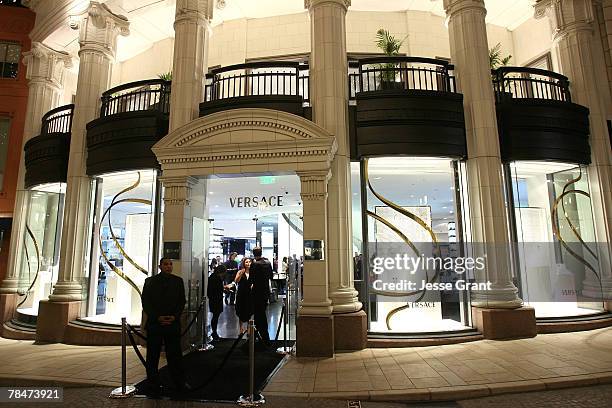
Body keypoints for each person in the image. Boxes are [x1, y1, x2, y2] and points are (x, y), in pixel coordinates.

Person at [141, 258, 186, 396]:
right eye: (165, 264)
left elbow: (181, 301)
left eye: (170, 264)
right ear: (160, 266)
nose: (168, 266)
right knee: (153, 356)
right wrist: (157, 317)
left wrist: (174, 316)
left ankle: (178, 383)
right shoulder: (150, 281)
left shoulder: (178, 281)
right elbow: (146, 302)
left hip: (172, 324)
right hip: (155, 325)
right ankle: (153, 383)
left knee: (175, 356)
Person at [248, 247, 273, 347]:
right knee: (261, 313)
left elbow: (251, 279)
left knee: (259, 314)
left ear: (254, 254)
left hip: (257, 291)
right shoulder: (268, 263)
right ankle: (260, 337)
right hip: (265, 291)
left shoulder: (255, 264)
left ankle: (264, 338)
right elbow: (271, 276)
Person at [226, 258, 253, 334]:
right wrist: (240, 274)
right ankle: (240, 328)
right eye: (246, 262)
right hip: (241, 293)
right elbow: (236, 281)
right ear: (244, 263)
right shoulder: (240, 271)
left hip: (250, 294)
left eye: (249, 262)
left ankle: (248, 328)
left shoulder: (253, 272)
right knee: (241, 310)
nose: (248, 263)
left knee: (249, 310)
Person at [207, 264, 226, 342]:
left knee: (215, 316)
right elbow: (215, 290)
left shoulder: (213, 277)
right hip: (216, 300)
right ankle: (214, 332)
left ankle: (214, 332)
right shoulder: (216, 278)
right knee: (215, 316)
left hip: (215, 300)